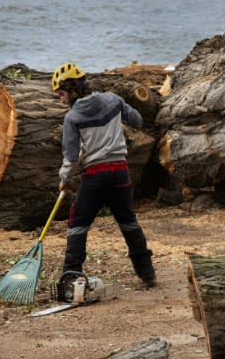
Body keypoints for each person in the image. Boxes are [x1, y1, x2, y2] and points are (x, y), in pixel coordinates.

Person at [51, 62, 156, 288]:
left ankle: (71, 276)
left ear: (72, 90)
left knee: (78, 223)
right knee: (128, 221)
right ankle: (147, 272)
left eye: (61, 94)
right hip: (120, 173)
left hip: (95, 176)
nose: (61, 100)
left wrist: (64, 180)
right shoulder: (113, 100)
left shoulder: (72, 118)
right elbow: (137, 120)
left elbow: (70, 158)